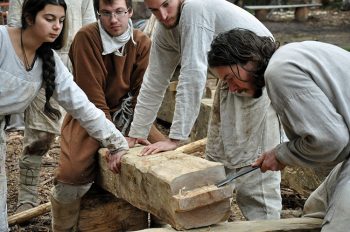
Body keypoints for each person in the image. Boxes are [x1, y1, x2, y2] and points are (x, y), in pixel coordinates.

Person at [0, 0, 128, 230]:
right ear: (29, 18)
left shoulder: (49, 61)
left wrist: (117, 142)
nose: (57, 26)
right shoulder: (2, 41)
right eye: (49, 19)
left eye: (60, 20)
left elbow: (82, 106)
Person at [208, 28, 350, 232]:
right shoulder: (288, 57)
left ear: (249, 59)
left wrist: (282, 155)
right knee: (316, 208)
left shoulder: (279, 71)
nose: (231, 88)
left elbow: (331, 141)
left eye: (230, 78)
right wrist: (282, 153)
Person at [50, 0, 166, 230]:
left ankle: (165, 224)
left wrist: (136, 132)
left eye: (120, 12)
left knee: (163, 162)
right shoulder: (86, 38)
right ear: (98, 14)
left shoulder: (142, 41)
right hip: (90, 115)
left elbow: (143, 94)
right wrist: (113, 142)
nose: (114, 20)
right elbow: (91, 97)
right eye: (106, 13)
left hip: (131, 115)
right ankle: (63, 227)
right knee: (71, 174)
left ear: (130, 12)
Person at [127, 0, 273, 155]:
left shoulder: (194, 8)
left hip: (257, 74)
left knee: (251, 153)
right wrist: (136, 134)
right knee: (218, 151)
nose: (162, 16)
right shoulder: (164, 31)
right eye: (154, 10)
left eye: (166, 5)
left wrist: (175, 139)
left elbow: (192, 74)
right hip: (230, 75)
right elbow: (154, 81)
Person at [7, 0, 97, 213]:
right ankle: (27, 195)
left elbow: (89, 28)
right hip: (39, 59)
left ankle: (77, 190)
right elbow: (14, 28)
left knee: (85, 127)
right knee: (41, 134)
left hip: (74, 60)